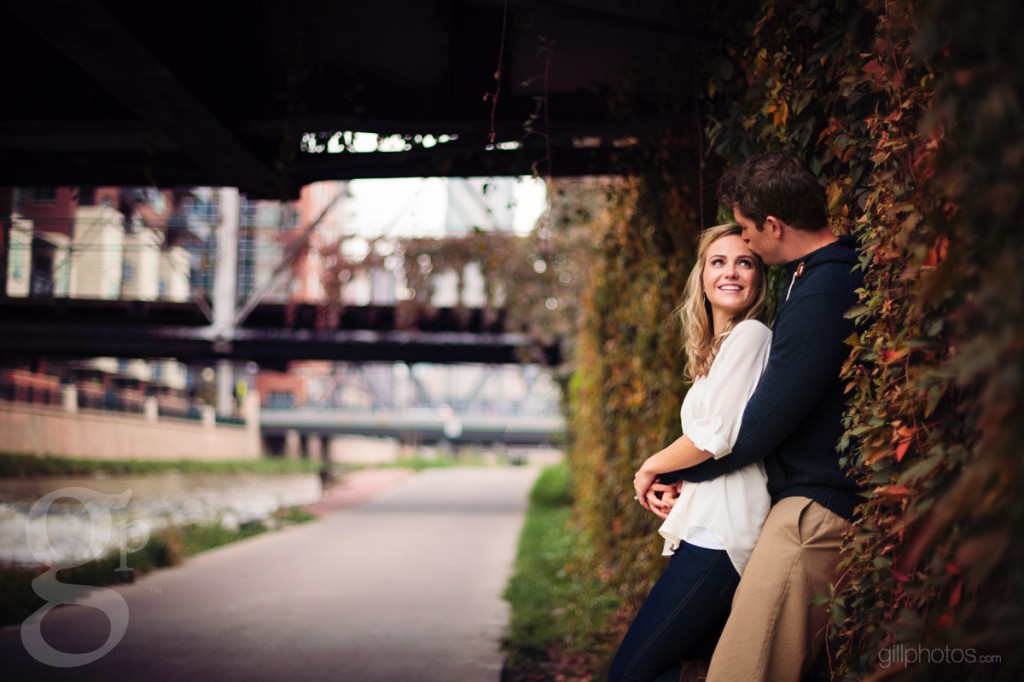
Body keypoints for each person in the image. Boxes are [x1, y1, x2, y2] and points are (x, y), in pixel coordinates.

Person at [639, 153, 865, 682]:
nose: (745, 247)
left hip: (811, 509)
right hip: (793, 505)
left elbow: (756, 427)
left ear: (773, 225)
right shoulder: (805, 281)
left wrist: (669, 468)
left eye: (745, 233)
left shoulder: (823, 288)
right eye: (718, 259)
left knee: (744, 670)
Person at [609, 223, 772, 682]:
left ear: (760, 278)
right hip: (707, 528)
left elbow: (710, 439)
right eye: (718, 262)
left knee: (631, 672)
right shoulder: (716, 352)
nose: (732, 272)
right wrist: (680, 480)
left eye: (746, 262)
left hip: (721, 536)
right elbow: (720, 449)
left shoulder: (751, 335)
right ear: (701, 276)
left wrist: (649, 468)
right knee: (685, 671)